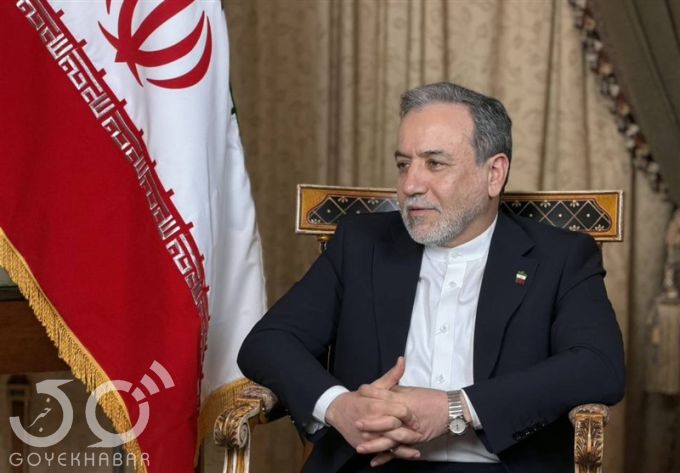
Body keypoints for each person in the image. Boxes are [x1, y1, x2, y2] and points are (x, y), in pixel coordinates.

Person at [238, 82, 625, 473]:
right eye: (403, 164)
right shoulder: (361, 244)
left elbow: (599, 366)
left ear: (494, 174)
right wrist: (339, 406)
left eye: (435, 164)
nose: (411, 185)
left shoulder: (560, 257)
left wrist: (455, 407)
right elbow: (268, 341)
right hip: (371, 465)